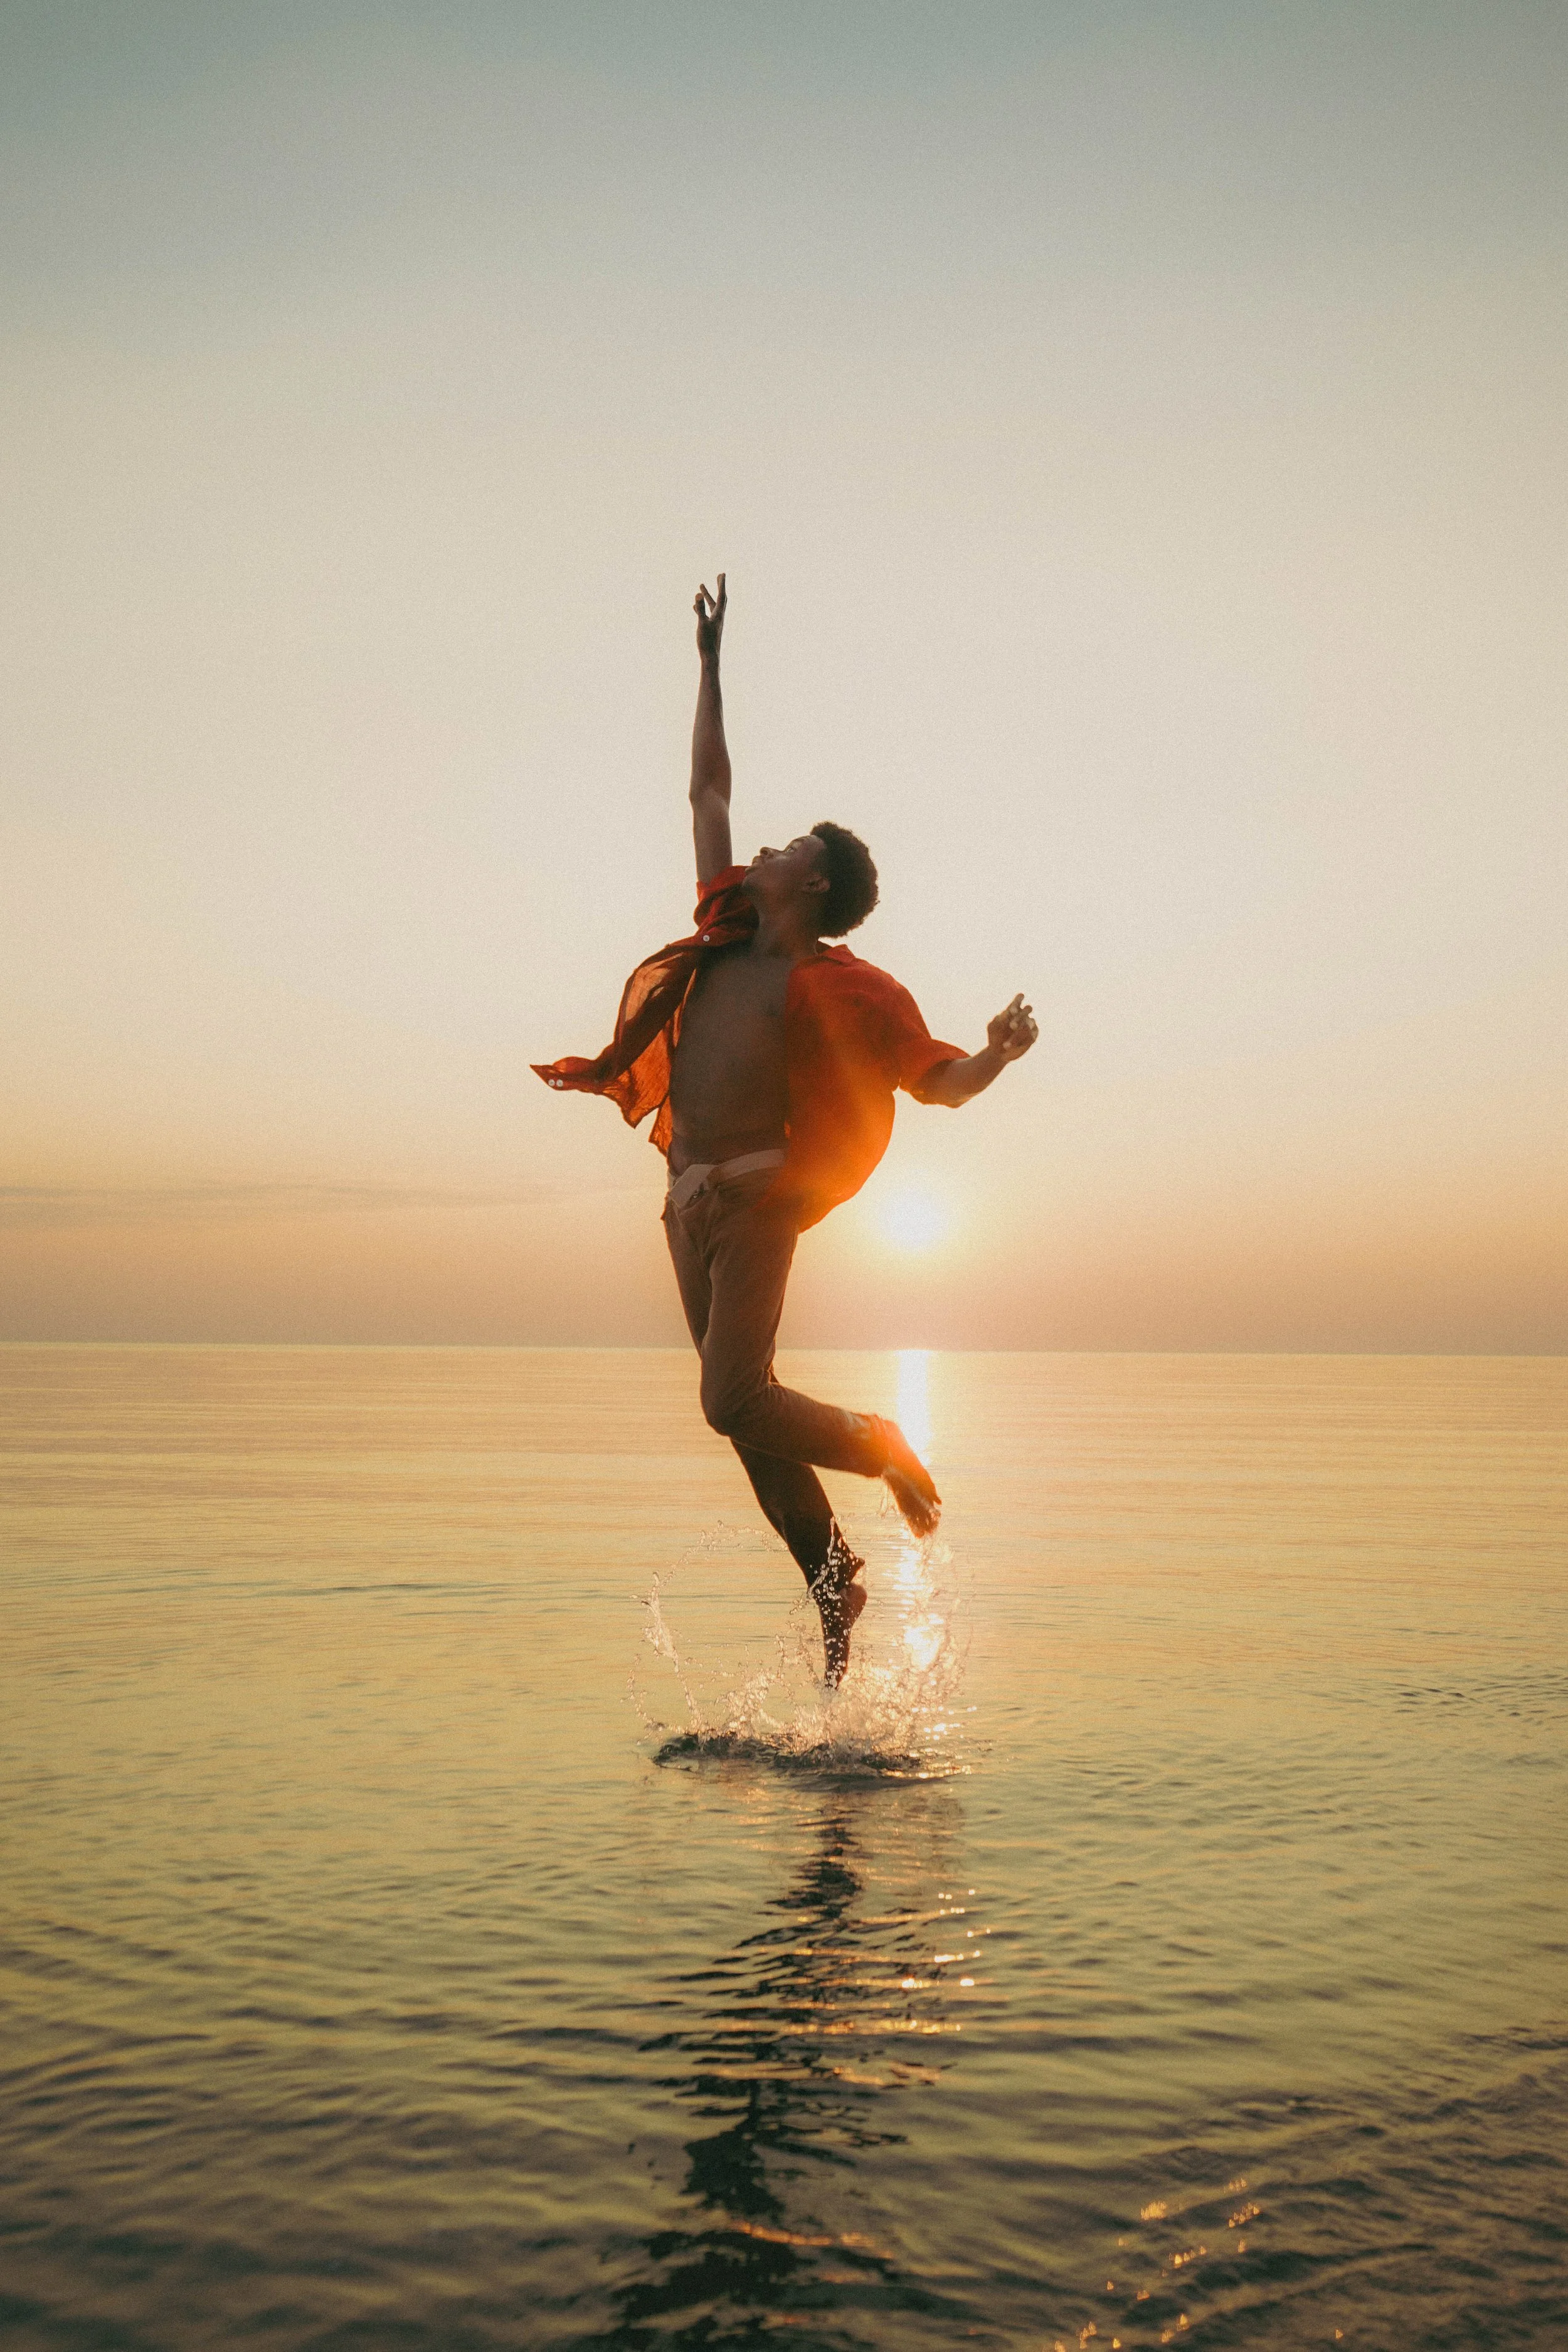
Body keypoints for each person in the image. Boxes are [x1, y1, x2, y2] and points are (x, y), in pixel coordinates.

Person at [536, 576, 1037, 1683]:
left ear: (811, 883)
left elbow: (939, 1082)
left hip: (758, 1201)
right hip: (685, 1205)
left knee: (731, 1395)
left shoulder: (845, 988)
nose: (761, 845)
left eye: (789, 844)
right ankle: (832, 1578)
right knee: (744, 1419)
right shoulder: (724, 929)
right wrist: (710, 666)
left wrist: (997, 1053)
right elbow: (706, 788)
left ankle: (879, 1442)